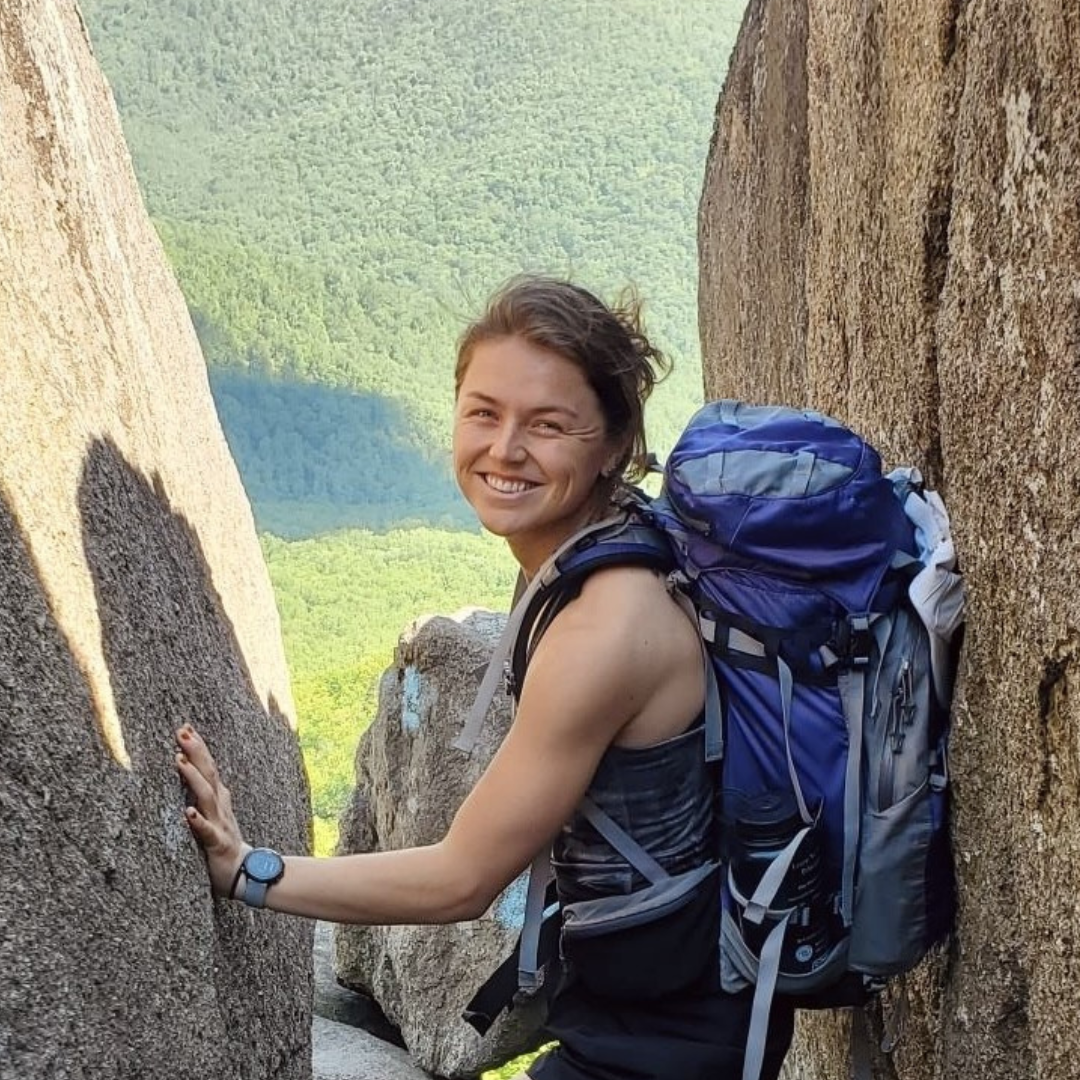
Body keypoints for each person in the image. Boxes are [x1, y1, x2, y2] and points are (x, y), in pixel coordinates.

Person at [175, 276, 795, 1080]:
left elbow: (461, 878)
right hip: (649, 1011)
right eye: (483, 412)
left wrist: (250, 871)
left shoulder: (604, 630)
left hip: (671, 1045)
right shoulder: (599, 548)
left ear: (612, 444)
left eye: (547, 425)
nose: (503, 450)